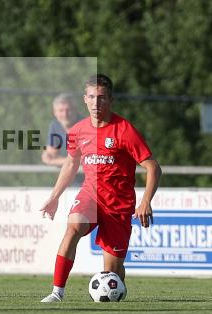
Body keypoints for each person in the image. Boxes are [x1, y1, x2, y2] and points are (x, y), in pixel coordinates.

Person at [39, 74, 161, 302]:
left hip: (118, 203)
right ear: (85, 99)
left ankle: (115, 288)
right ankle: (57, 292)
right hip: (90, 194)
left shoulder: (124, 130)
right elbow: (71, 163)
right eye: (92, 97)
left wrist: (146, 201)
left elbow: (153, 167)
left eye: (102, 98)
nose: (97, 103)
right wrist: (54, 196)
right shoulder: (77, 131)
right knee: (73, 227)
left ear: (110, 100)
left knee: (112, 272)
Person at [41, 93, 80, 167]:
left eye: (68, 110)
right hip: (65, 176)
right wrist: (47, 155)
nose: (65, 114)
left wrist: (54, 161)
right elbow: (51, 154)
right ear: (54, 113)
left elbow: (85, 160)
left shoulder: (86, 125)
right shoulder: (55, 126)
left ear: (75, 110)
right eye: (61, 111)